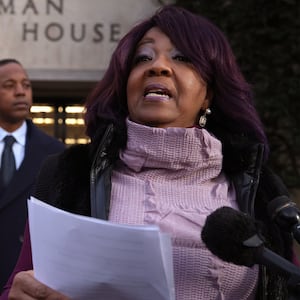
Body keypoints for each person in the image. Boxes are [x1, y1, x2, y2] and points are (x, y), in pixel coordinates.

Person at [0, 5, 297, 300]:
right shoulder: (69, 175)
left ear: (208, 93)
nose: (158, 66)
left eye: (182, 57)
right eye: (142, 58)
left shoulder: (262, 190)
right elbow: (21, 283)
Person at [0, 59, 65, 290]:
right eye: (9, 85)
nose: (20, 92)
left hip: (27, 280)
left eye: (26, 85)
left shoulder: (57, 154)